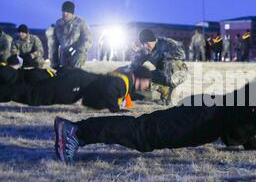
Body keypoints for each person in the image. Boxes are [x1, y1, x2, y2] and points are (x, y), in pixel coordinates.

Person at [53, 66, 256, 164]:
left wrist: (249, 144)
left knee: (146, 131)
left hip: (207, 111)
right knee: (145, 133)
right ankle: (76, 133)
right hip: (204, 117)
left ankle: (78, 132)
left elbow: (250, 113)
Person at [0, 65, 153, 113]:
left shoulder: (125, 80)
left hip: (75, 81)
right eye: (148, 82)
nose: (147, 86)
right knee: (34, 94)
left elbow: (125, 93)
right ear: (140, 78)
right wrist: (115, 109)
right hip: (73, 84)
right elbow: (109, 90)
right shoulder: (122, 82)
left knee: (31, 81)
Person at [126, 29, 188, 105]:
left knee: (173, 63)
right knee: (139, 75)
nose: (145, 46)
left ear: (153, 40)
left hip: (175, 73)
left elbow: (182, 54)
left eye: (147, 43)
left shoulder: (167, 43)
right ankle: (164, 90)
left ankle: (171, 92)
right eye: (143, 44)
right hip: (161, 74)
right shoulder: (145, 51)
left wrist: (166, 57)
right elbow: (134, 65)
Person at [51, 1, 93, 69]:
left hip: (77, 53)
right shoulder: (59, 23)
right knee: (64, 74)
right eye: (63, 11)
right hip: (64, 55)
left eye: (67, 12)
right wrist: (54, 61)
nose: (65, 13)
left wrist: (80, 50)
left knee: (75, 73)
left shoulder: (80, 22)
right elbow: (54, 43)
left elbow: (88, 39)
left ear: (72, 12)